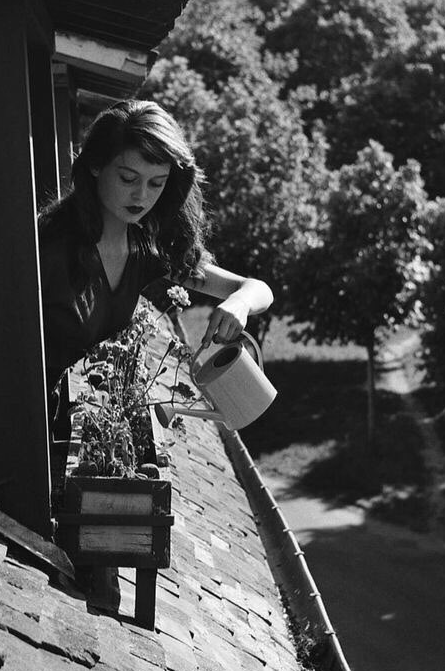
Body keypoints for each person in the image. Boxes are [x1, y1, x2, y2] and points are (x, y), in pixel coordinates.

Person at [39, 99, 274, 609]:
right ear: (94, 166)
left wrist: (237, 304)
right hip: (23, 422)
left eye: (156, 183)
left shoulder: (150, 249)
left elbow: (257, 288)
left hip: (67, 426)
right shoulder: (49, 246)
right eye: (128, 178)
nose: (141, 196)